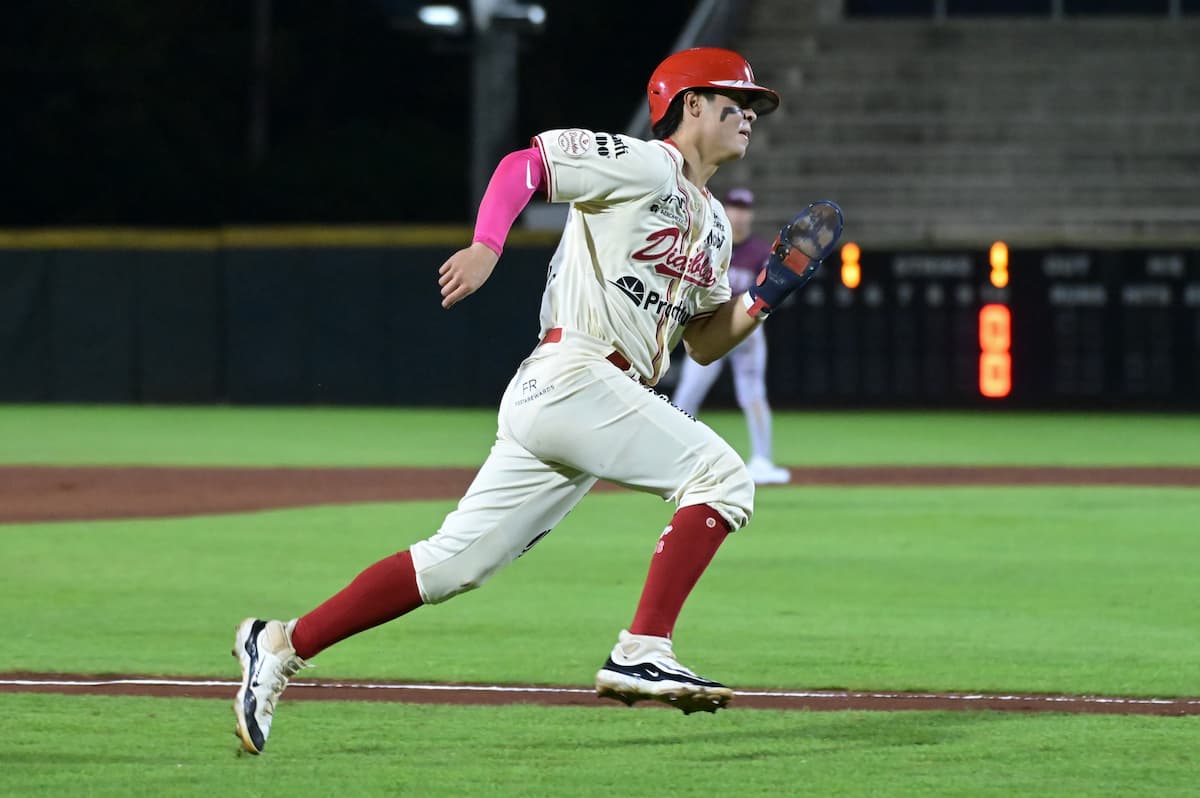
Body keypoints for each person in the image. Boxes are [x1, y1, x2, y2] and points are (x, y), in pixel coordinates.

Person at [231, 47, 838, 755]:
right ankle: (643, 647)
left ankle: (280, 644)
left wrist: (764, 296)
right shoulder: (644, 163)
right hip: (576, 372)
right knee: (723, 476)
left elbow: (702, 343)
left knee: (452, 566)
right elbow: (524, 166)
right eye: (736, 102)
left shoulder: (713, 225)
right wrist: (488, 245)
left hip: (588, 398)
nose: (750, 116)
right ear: (691, 105)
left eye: (755, 107)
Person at [669, 186, 790, 485]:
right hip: (709, 327)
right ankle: (671, 456)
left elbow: (769, 294)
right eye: (735, 207)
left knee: (753, 394)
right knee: (687, 395)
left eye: (744, 209)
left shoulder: (761, 251)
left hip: (746, 332)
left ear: (751, 214)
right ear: (725, 211)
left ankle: (762, 460)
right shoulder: (713, 242)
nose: (739, 214)